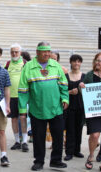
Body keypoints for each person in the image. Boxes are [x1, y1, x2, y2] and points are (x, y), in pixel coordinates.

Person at [18, 41, 69, 171]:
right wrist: (22, 110)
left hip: (56, 108)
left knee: (58, 136)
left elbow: (63, 84)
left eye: (48, 51)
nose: (47, 54)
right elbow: (23, 90)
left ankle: (56, 160)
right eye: (44, 51)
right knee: (38, 138)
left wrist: (65, 99)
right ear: (37, 52)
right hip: (37, 109)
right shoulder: (28, 67)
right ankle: (39, 161)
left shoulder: (56, 65)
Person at [5, 43, 29, 152]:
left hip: (23, 96)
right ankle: (17, 141)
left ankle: (24, 141)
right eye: (12, 52)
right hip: (11, 96)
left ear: (20, 53)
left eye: (16, 52)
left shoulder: (25, 63)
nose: (14, 53)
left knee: (23, 118)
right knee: (14, 119)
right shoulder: (8, 64)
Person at [64, 54, 85, 161]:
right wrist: (70, 92)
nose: (76, 63)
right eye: (74, 61)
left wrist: (84, 88)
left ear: (81, 63)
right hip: (69, 107)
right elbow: (62, 92)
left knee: (79, 129)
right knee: (70, 130)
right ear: (71, 62)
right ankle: (69, 152)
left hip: (81, 107)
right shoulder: (66, 76)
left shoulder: (84, 76)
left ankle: (77, 150)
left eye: (78, 61)